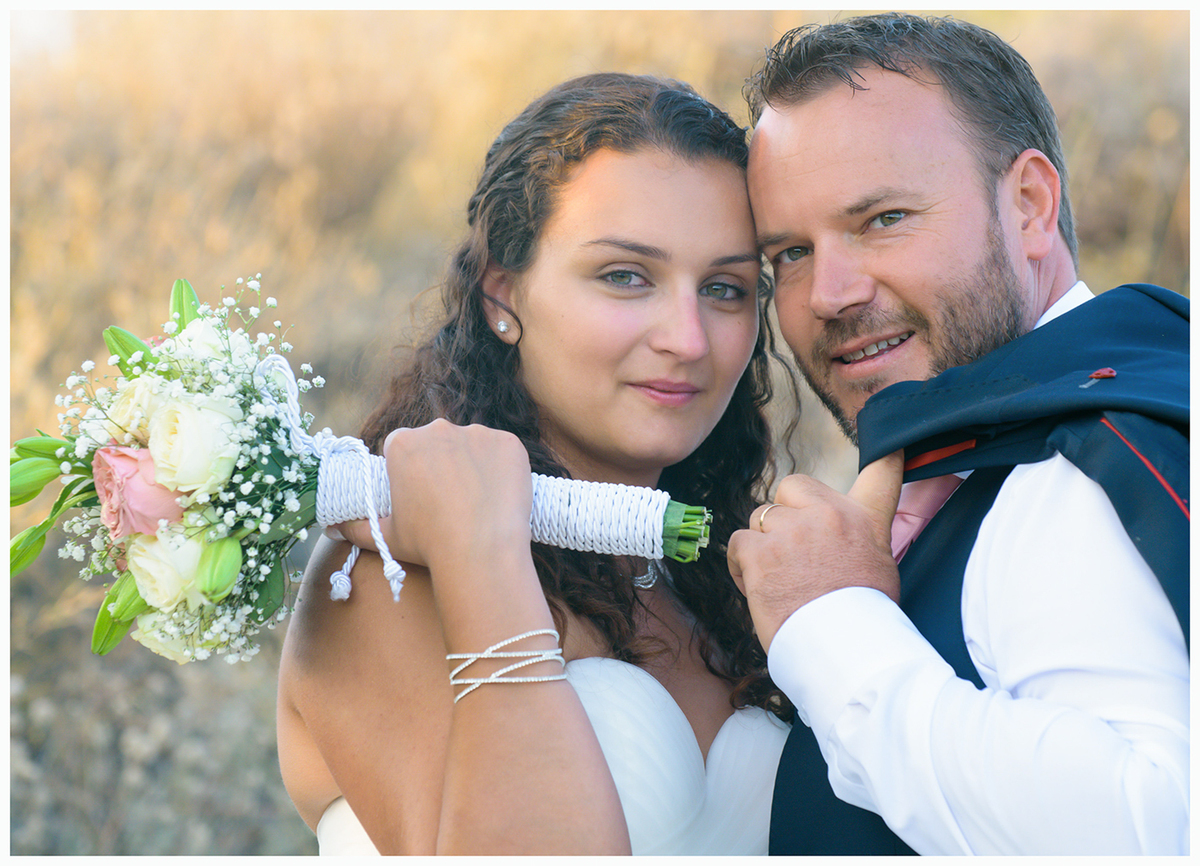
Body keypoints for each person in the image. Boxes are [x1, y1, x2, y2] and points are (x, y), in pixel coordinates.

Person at [276, 72, 798, 855]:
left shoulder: (726, 573)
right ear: (501, 296)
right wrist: (479, 556)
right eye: (626, 276)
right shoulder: (382, 571)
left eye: (726, 289)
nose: (689, 339)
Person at [729, 13, 1189, 856]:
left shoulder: (1075, 475)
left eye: (884, 218)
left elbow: (1152, 830)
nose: (827, 292)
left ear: (1029, 207)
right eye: (789, 253)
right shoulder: (1024, 432)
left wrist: (830, 624)